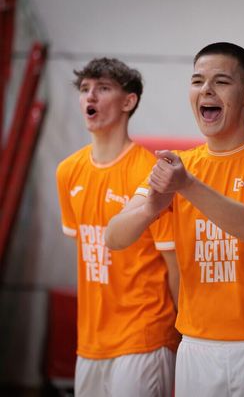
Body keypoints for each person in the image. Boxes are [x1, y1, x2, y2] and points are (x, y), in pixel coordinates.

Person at [105, 42, 244, 396]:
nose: (207, 90)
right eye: (197, 81)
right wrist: (152, 207)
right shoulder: (181, 165)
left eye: (221, 82)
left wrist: (187, 186)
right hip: (197, 346)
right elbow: (114, 236)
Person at [55, 58, 180, 397]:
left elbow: (175, 265)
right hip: (91, 341)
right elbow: (88, 257)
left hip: (145, 335)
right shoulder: (67, 172)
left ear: (128, 101)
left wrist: (183, 329)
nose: (90, 96)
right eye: (84, 89)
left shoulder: (150, 173)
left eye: (103, 88)